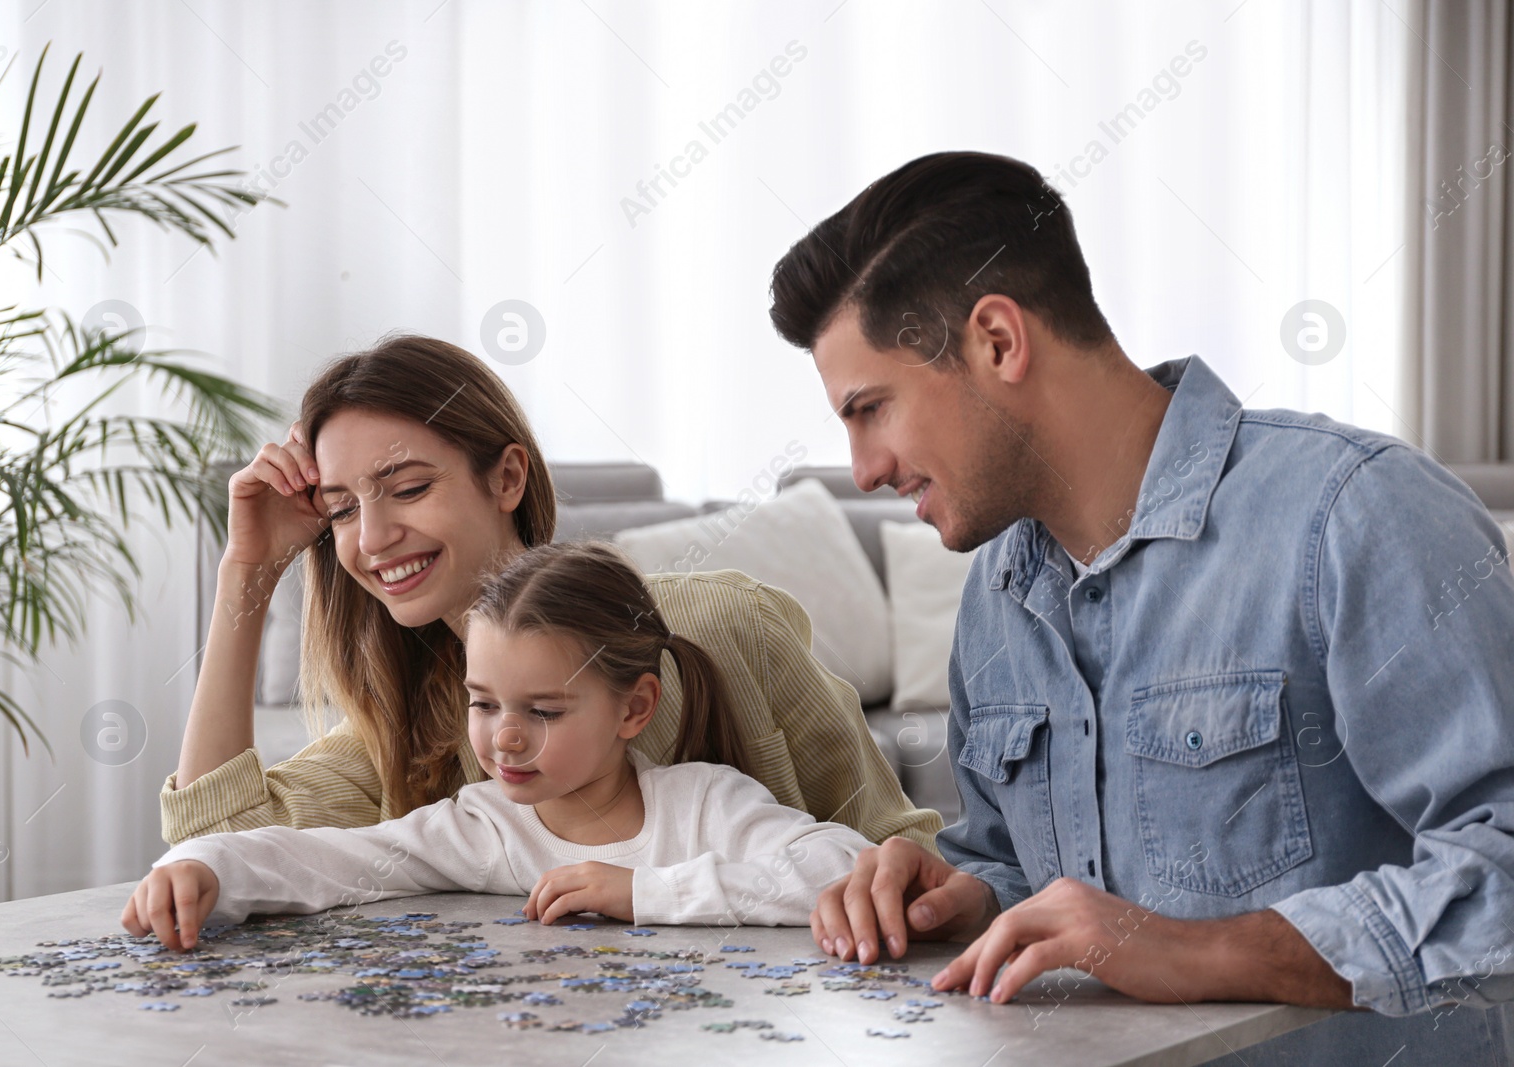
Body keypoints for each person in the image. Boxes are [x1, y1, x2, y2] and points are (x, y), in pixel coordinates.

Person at [774, 151, 1514, 1059]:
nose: (864, 469)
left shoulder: (1354, 516)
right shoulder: (997, 596)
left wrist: (1200, 950)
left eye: (870, 409)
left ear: (998, 341)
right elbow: (1037, 869)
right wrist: (967, 888)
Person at [163, 335, 940, 857]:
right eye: (339, 509)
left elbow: (896, 845)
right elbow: (218, 844)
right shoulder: (407, 733)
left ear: (507, 477)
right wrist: (248, 574)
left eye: (407, 488)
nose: (369, 538)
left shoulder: (721, 623)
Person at [126, 542, 869, 949]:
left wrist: (641, 891)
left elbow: (842, 867)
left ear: (634, 708)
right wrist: (202, 861)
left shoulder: (704, 800)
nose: (503, 735)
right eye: (483, 702)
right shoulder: (485, 825)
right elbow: (329, 859)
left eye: (543, 708)